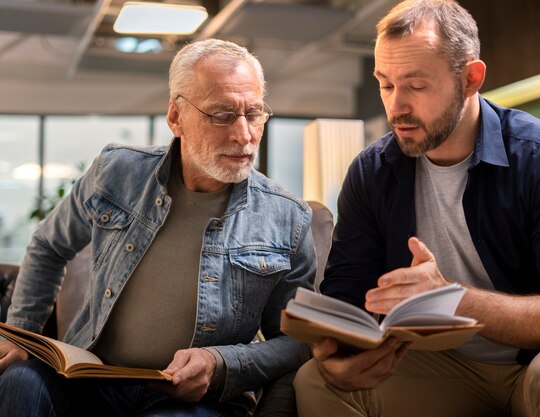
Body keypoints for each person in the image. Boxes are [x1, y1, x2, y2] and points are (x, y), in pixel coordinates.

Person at [294, 1, 540, 416]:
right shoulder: (372, 171)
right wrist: (336, 350)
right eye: (385, 84)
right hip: (448, 368)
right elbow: (345, 297)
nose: (396, 106)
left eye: (416, 85)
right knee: (315, 380)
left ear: (470, 79)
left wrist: (453, 299)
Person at [0, 38, 316, 417]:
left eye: (254, 113)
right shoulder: (117, 172)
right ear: (175, 117)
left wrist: (221, 364)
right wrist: (20, 333)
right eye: (222, 115)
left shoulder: (287, 217)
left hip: (195, 399)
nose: (244, 135)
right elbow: (48, 246)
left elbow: (296, 341)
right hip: (92, 378)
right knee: (19, 381)